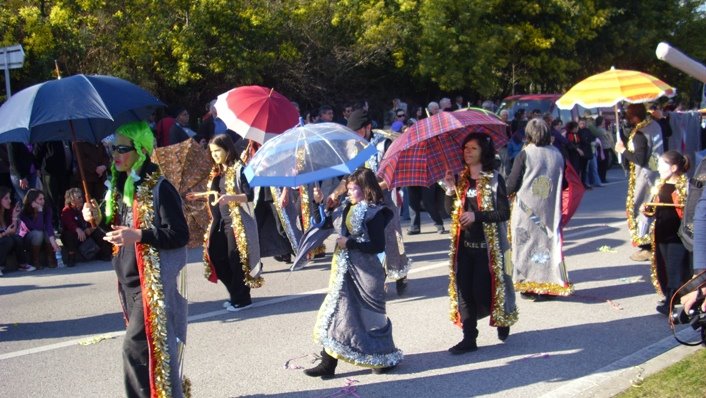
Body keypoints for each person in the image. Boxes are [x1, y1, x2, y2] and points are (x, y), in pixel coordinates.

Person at [82, 121, 190, 398]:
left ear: (140, 149)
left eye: (121, 148)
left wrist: (140, 234)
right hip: (128, 284)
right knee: (145, 353)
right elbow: (118, 238)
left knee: (133, 348)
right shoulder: (121, 188)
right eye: (112, 148)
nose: (115, 154)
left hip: (150, 287)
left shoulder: (160, 188)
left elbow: (179, 234)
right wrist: (94, 222)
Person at [304, 167, 403, 379]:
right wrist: (319, 202)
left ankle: (382, 357)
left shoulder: (375, 212)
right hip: (344, 272)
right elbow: (325, 224)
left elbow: (376, 245)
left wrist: (349, 242)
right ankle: (328, 363)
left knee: (370, 319)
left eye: (352, 188)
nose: (348, 192)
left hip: (367, 273)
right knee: (338, 313)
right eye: (347, 188)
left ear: (366, 189)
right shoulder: (346, 206)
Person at [442, 133, 518, 354]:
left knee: (484, 291)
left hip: (489, 250)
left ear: (483, 152)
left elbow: (504, 213)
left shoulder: (495, 179)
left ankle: (502, 319)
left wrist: (477, 216)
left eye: (473, 148)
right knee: (464, 292)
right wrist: (449, 189)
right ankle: (469, 338)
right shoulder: (460, 180)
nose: (467, 151)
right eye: (465, 148)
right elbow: (450, 212)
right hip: (464, 248)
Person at [186, 134, 263, 312]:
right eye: (212, 152)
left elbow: (250, 195)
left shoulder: (240, 169)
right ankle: (236, 294)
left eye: (217, 151)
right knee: (216, 257)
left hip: (238, 223)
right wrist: (198, 196)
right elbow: (216, 195)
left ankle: (242, 299)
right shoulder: (218, 171)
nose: (214, 155)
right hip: (220, 222)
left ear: (227, 150)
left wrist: (231, 197)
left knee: (236, 261)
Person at [506, 119, 573, 300]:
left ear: (528, 134)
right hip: (550, 209)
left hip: (526, 210)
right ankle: (549, 283)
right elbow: (564, 182)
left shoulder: (525, 154)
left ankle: (529, 284)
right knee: (548, 245)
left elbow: (512, 184)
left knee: (525, 245)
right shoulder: (557, 154)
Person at [643, 151, 691, 315]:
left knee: (674, 268)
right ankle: (673, 296)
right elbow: (654, 209)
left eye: (662, 165)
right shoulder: (660, 184)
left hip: (677, 235)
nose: (659, 168)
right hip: (661, 232)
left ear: (673, 167)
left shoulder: (684, 186)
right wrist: (647, 209)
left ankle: (670, 302)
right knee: (663, 266)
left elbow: (687, 213)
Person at [615, 104, 664, 262]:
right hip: (657, 171)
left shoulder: (640, 134)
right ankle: (653, 243)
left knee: (641, 208)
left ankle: (646, 246)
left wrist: (622, 150)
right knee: (652, 207)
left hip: (645, 175)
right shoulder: (654, 125)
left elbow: (639, 159)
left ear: (635, 117)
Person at [60, 188, 111, 266]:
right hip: (75, 234)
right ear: (72, 200)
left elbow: (91, 220)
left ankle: (104, 254)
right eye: (78, 198)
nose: (81, 199)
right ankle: (71, 256)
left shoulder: (85, 207)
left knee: (98, 232)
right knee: (68, 235)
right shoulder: (66, 210)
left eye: (81, 197)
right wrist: (77, 229)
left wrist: (90, 228)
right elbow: (69, 223)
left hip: (86, 232)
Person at [20, 189, 61, 269]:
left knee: (47, 232)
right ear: (32, 201)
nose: (43, 201)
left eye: (43, 198)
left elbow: (48, 225)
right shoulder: (24, 212)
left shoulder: (47, 208)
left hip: (43, 238)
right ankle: (35, 260)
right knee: (38, 233)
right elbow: (37, 227)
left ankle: (50, 259)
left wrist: (53, 242)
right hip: (29, 239)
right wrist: (39, 211)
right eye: (40, 199)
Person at [0, 186, 35, 274]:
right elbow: (6, 234)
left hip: (6, 242)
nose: (9, 201)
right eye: (6, 198)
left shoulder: (7, 212)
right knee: (8, 240)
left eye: (9, 198)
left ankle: (22, 264)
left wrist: (14, 217)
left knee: (16, 238)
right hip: (3, 242)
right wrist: (5, 233)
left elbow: (13, 231)